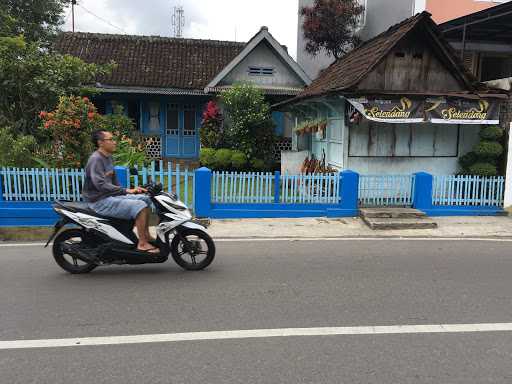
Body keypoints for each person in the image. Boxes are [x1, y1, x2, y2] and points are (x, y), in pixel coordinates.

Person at [82, 130, 158, 253]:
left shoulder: (109, 157)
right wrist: (126, 190)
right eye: (110, 139)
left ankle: (146, 235)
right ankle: (142, 243)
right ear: (100, 143)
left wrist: (131, 191)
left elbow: (114, 181)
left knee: (145, 199)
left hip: (109, 197)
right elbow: (100, 185)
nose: (114, 142)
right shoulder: (96, 159)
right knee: (140, 206)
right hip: (99, 201)